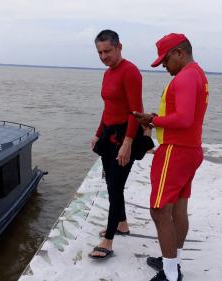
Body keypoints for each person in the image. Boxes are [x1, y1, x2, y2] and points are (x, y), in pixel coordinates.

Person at [132, 33, 209, 281]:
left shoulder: (185, 77)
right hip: (190, 150)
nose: (164, 66)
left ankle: (170, 274)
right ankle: (172, 262)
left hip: (175, 151)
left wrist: (151, 120)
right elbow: (184, 115)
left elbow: (184, 119)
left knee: (159, 211)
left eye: (165, 60)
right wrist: (156, 117)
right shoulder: (197, 74)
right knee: (178, 209)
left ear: (179, 52)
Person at [88, 29, 143, 259]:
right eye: (99, 52)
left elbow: (136, 111)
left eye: (107, 51)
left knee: (114, 186)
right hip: (109, 136)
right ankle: (122, 224)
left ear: (120, 47)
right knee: (112, 184)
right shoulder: (108, 73)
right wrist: (98, 134)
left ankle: (108, 240)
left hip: (125, 136)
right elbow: (108, 108)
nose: (103, 56)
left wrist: (128, 142)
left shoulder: (130, 72)